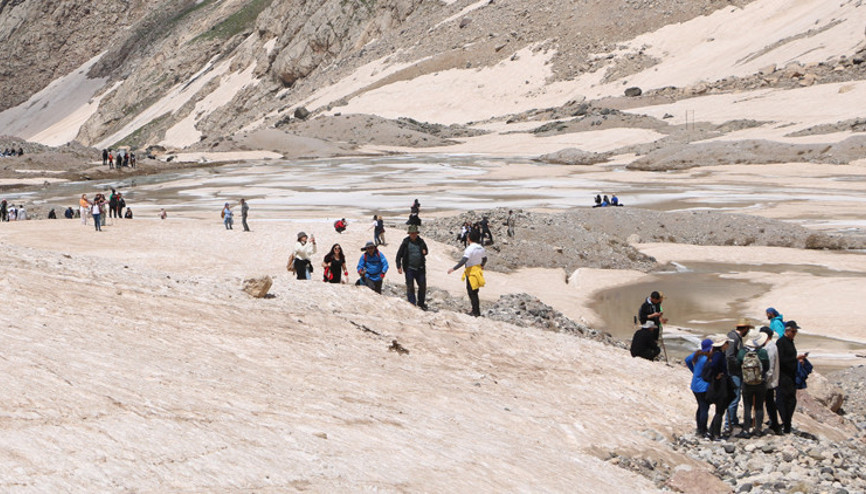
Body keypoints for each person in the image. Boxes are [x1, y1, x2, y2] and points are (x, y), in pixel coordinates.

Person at [736, 331, 770, 438]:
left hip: (746, 383)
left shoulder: (742, 352)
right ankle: (758, 429)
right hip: (760, 382)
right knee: (759, 406)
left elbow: (738, 365)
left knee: (747, 406)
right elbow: (767, 367)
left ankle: (746, 429)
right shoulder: (762, 352)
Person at [725, 318, 754, 435]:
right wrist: (740, 364)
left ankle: (733, 421)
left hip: (734, 372)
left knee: (735, 398)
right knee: (734, 398)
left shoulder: (732, 336)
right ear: (745, 328)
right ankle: (729, 424)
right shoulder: (735, 338)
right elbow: (729, 356)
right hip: (734, 373)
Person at [447, 230, 487, 317]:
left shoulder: (470, 248)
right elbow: (485, 259)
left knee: (471, 292)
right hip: (478, 270)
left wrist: (453, 268)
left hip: (471, 271)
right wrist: (482, 265)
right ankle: (476, 310)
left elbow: (464, 260)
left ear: (469, 238)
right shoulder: (481, 248)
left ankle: (475, 312)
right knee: (475, 291)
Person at [776, 320, 806, 434]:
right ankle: (785, 423)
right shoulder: (781, 342)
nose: (795, 334)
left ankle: (787, 423)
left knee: (791, 400)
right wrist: (796, 359)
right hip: (783, 376)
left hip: (791, 376)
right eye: (793, 331)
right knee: (783, 400)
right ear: (787, 331)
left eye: (796, 331)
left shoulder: (790, 342)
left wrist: (799, 361)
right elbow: (782, 360)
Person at [685, 338, 713, 437]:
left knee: (700, 406)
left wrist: (694, 370)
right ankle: (703, 430)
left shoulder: (697, 355)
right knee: (705, 407)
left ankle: (699, 428)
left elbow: (687, 360)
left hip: (695, 384)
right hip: (703, 386)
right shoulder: (707, 359)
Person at [396, 225, 428, 309]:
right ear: (409, 234)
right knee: (410, 286)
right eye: (412, 233)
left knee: (422, 286)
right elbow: (399, 255)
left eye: (415, 233)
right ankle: (412, 303)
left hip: (420, 268)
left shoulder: (421, 241)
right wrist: (399, 266)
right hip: (409, 268)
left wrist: (425, 251)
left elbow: (426, 250)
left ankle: (421, 303)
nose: (413, 235)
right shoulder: (405, 243)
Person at [706, 334, 731, 441]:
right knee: (720, 411)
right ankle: (716, 434)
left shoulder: (716, 354)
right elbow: (714, 366)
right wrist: (718, 375)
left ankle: (711, 432)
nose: (728, 345)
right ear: (723, 344)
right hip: (720, 385)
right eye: (727, 343)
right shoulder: (719, 355)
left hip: (718, 384)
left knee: (719, 410)